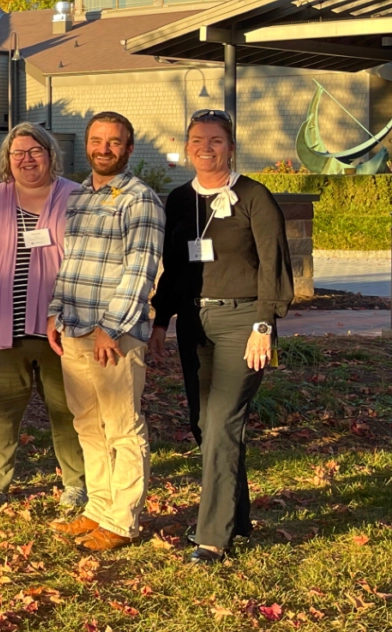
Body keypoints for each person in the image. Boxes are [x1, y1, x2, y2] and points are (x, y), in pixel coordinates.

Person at [150, 110, 292, 563]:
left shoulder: (254, 197)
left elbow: (274, 264)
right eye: (196, 139)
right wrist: (160, 320)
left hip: (244, 322)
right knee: (203, 425)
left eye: (215, 140)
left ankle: (212, 536)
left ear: (231, 146)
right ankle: (238, 517)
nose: (204, 147)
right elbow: (174, 267)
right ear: (186, 145)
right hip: (195, 323)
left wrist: (264, 326)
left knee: (223, 423)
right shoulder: (177, 200)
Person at [0, 124, 86, 512]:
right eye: (18, 153)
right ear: (6, 159)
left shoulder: (76, 197)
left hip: (62, 327)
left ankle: (77, 483)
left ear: (51, 154)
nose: (27, 159)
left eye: (35, 151)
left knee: (68, 410)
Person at [46, 112, 164, 553]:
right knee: (87, 425)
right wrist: (55, 311)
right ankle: (97, 509)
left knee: (121, 428)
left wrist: (109, 329)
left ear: (129, 149)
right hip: (74, 330)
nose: (104, 148)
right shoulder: (79, 198)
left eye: (115, 142)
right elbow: (70, 262)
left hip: (113, 336)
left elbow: (140, 270)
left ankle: (123, 520)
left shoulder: (140, 200)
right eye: (97, 140)